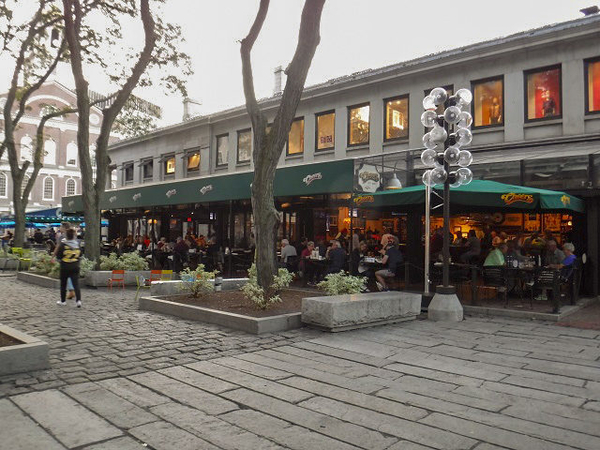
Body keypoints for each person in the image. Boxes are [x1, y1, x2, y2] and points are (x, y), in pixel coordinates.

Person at [55, 228, 82, 307]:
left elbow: (59, 256)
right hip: (75, 266)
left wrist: (60, 260)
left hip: (65, 266)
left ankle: (63, 301)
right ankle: (78, 300)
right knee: (76, 284)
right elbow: (80, 255)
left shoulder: (63, 245)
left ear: (66, 236)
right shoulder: (77, 245)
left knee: (63, 284)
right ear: (74, 236)